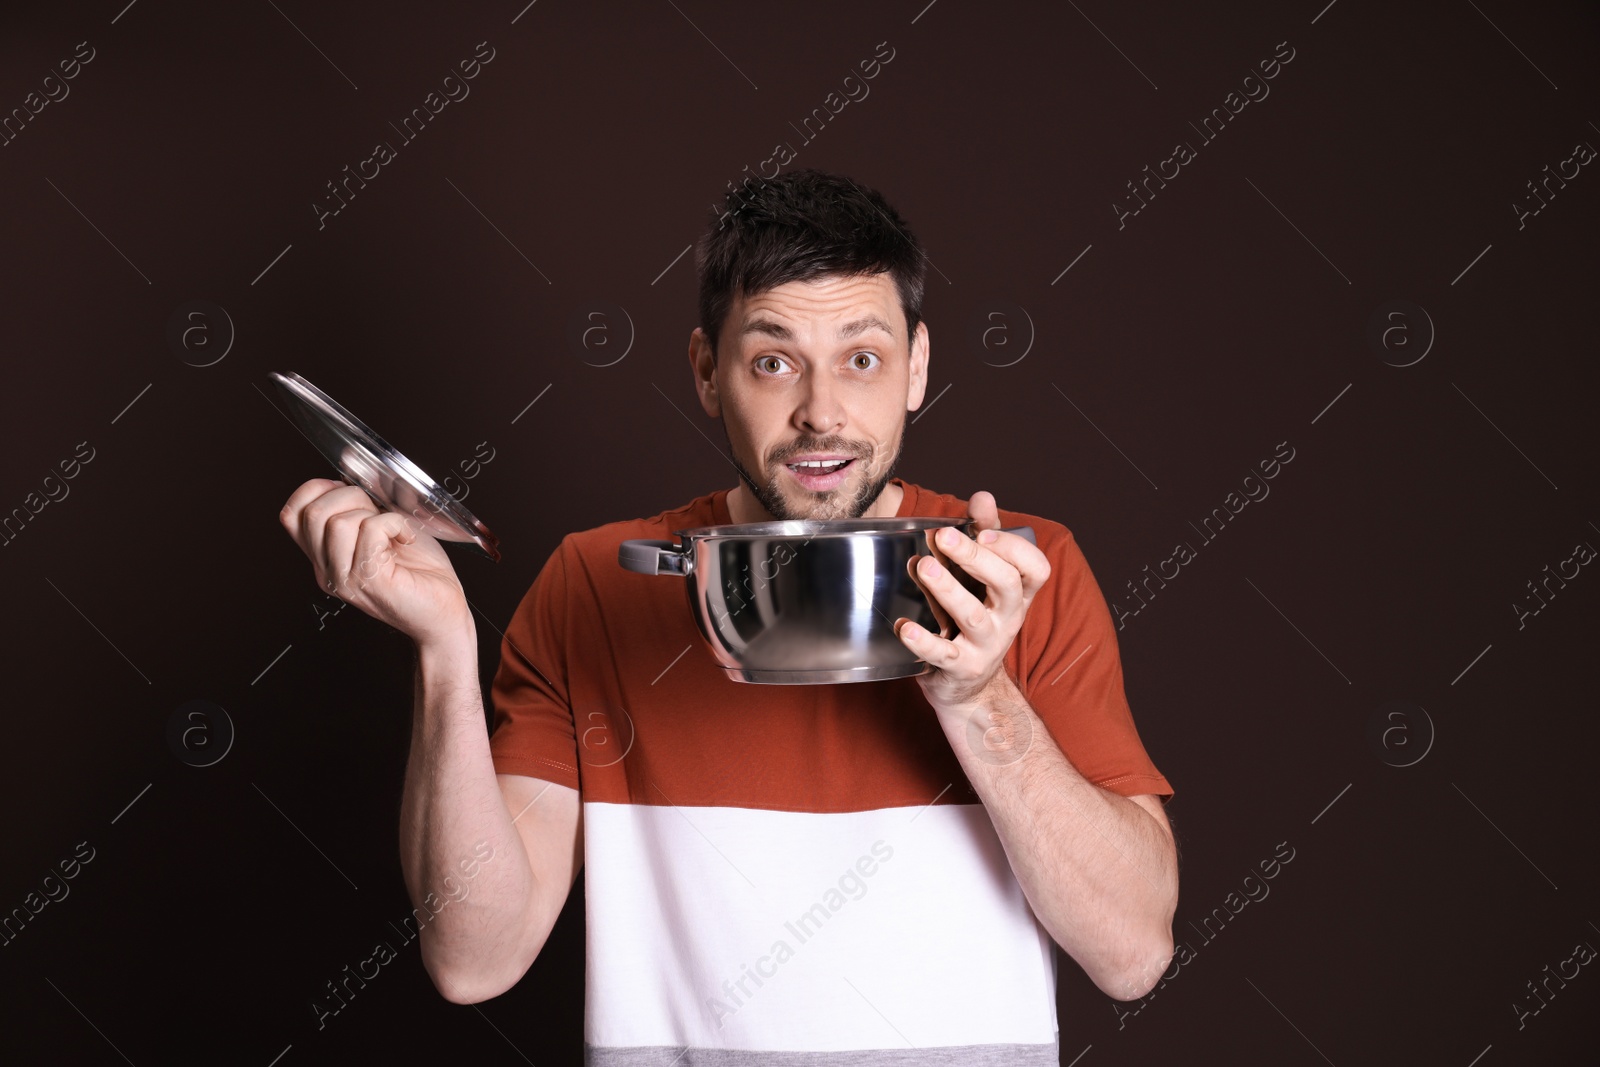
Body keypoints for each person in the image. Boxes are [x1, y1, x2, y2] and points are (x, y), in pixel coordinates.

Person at [279, 168, 1178, 1064]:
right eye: (773, 359)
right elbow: (474, 959)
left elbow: (1134, 954)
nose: (821, 412)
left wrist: (981, 697)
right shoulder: (592, 586)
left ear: (919, 368)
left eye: (862, 358)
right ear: (708, 372)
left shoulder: (1022, 573)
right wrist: (444, 648)